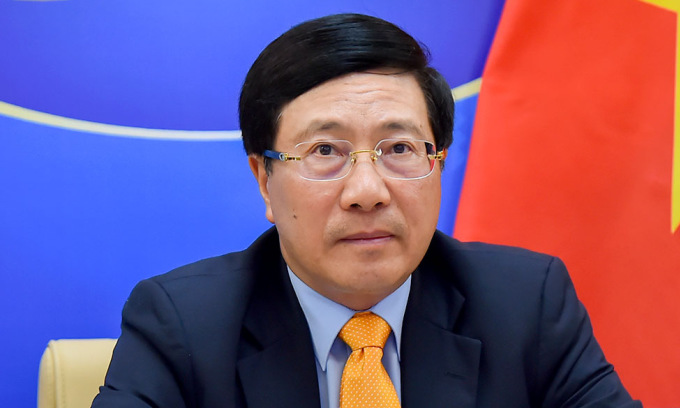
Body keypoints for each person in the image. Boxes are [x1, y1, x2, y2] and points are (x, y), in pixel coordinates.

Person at [91, 13, 641, 408]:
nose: (367, 190)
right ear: (264, 181)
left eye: (399, 148)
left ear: (438, 163)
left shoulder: (526, 306)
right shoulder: (183, 326)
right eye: (324, 151)